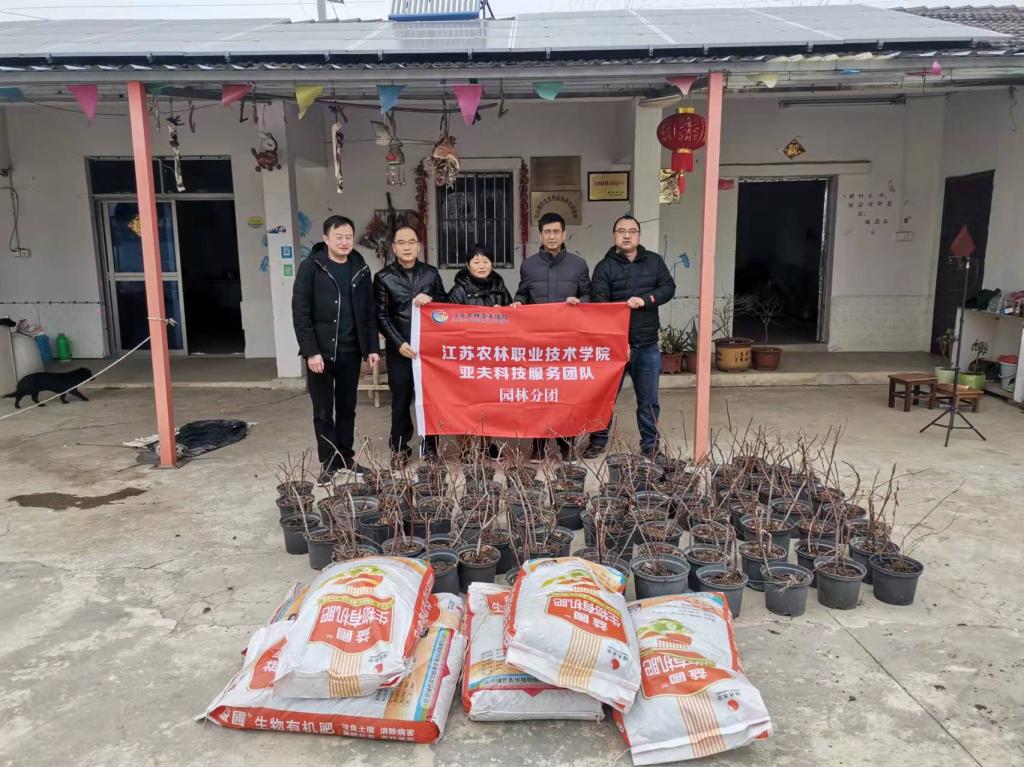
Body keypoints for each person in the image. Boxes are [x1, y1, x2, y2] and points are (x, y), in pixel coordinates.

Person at [292, 215, 380, 482]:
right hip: (320, 353)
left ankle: (346, 456)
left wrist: (372, 347)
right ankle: (328, 461)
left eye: (348, 237)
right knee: (322, 411)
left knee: (347, 408)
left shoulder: (360, 268)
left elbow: (369, 311)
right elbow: (300, 312)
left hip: (350, 351)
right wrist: (310, 351)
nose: (344, 242)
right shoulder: (311, 267)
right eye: (338, 237)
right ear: (326, 239)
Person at [584, 214, 676, 460]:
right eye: (621, 231)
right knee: (604, 398)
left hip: (646, 344)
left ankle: (650, 444)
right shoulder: (604, 268)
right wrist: (618, 342)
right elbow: (600, 306)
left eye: (632, 231)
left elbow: (668, 288)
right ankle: (597, 441)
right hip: (614, 348)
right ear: (614, 235)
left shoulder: (654, 262)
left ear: (638, 235)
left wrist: (646, 300)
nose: (627, 235)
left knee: (648, 400)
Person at [511, 211, 590, 462]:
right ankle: (538, 446)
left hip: (568, 344)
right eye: (547, 232)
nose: (552, 236)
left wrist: (580, 301)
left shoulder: (578, 264)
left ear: (564, 234)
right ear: (541, 235)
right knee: (539, 395)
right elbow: (523, 293)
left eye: (556, 231)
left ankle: (567, 446)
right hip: (538, 343)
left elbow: (589, 296)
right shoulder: (529, 265)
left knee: (567, 396)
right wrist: (518, 302)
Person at [373, 225, 448, 466]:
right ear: (394, 248)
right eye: (401, 243)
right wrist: (398, 343)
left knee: (430, 400)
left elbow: (445, 305)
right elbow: (381, 315)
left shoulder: (431, 274)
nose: (407, 247)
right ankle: (399, 448)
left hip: (428, 351)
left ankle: (430, 447)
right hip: (401, 350)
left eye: (411, 242)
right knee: (401, 401)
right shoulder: (383, 277)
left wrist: (432, 299)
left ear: (419, 246)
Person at [447, 244, 514, 460]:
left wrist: (504, 313)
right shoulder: (458, 291)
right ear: (468, 265)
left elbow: (513, 319)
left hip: (493, 356)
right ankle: (466, 447)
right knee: (465, 404)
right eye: (476, 262)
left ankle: (487, 444)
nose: (482, 265)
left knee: (490, 403)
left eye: (486, 261)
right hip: (467, 357)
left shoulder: (500, 287)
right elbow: (449, 324)